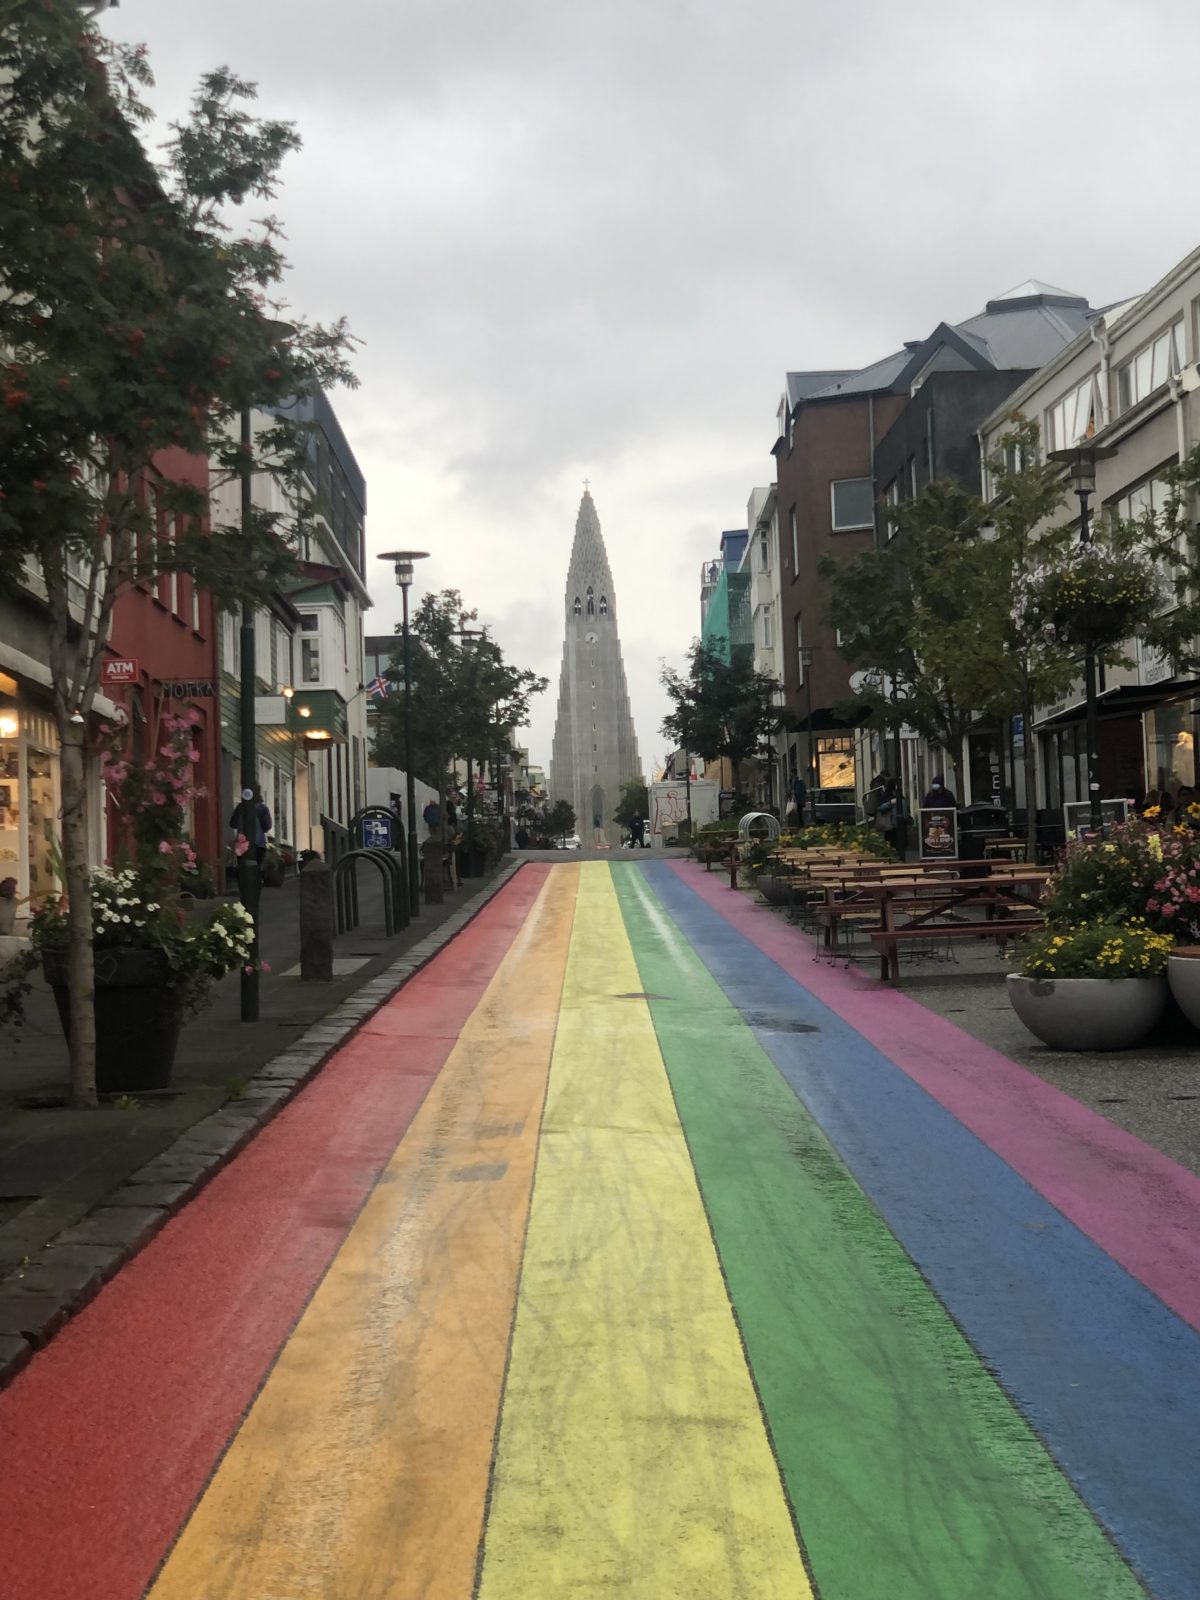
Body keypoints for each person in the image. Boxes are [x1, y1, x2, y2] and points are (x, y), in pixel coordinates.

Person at [229, 785, 272, 868]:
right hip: (258, 844)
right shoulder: (262, 808)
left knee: (242, 868)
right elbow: (267, 826)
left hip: (242, 844)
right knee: (257, 868)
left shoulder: (240, 807)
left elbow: (233, 824)